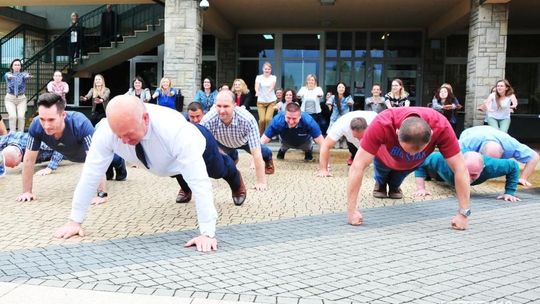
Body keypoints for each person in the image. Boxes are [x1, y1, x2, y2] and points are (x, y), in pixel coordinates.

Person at [53, 95, 240, 252]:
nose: (124, 141)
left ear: (145, 119)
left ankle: (236, 178)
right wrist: (74, 221)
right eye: (119, 135)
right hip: (165, 163)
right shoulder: (105, 132)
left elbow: (200, 182)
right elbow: (90, 174)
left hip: (200, 146)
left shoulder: (175, 131)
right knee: (178, 173)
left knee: (218, 170)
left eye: (128, 134)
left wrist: (207, 233)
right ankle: (184, 186)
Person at [347, 107, 470, 230]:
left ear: (432, 134)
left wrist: (463, 214)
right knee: (382, 177)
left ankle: (394, 186)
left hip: (410, 167)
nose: (410, 155)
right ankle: (380, 183)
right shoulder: (382, 123)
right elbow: (357, 166)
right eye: (408, 150)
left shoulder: (441, 125)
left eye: (417, 151)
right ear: (397, 132)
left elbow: (461, 168)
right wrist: (351, 211)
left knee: (396, 183)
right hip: (384, 159)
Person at [15, 93, 121, 205]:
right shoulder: (36, 125)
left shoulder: (80, 123)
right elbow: (28, 160)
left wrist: (101, 194)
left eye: (51, 120)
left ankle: (120, 168)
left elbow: (96, 159)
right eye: (42, 119)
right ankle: (107, 172)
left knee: (114, 159)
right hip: (69, 154)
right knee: (105, 169)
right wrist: (27, 192)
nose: (46, 125)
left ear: (63, 115)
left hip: (93, 154)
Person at [200, 90, 274, 191]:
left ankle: (269, 158)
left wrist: (261, 182)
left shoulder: (248, 119)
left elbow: (256, 153)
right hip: (223, 143)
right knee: (228, 159)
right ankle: (233, 156)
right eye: (219, 106)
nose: (222, 111)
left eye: (226, 106)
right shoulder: (207, 120)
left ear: (235, 105)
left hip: (244, 141)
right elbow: (202, 152)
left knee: (263, 152)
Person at [414, 151, 520, 202]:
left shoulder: (492, 166)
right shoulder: (442, 159)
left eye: (473, 175)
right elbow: (421, 162)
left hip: (450, 176)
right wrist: (421, 188)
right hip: (437, 173)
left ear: (483, 168)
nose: (468, 179)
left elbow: (514, 166)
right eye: (465, 173)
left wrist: (509, 192)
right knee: (432, 175)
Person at [459, 125, 539, 187]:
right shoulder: (468, 142)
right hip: (472, 132)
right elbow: (451, 153)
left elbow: (534, 157)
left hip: (496, 134)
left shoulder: (511, 146)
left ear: (502, 153)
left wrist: (522, 178)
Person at [317, 111, 377, 176]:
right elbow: (325, 145)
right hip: (352, 141)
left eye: (362, 137)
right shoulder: (341, 125)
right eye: (357, 137)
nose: (360, 140)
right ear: (350, 130)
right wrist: (323, 169)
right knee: (358, 163)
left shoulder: (376, 121)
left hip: (373, 138)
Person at [4, 59, 32, 132]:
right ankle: (12, 134)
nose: (17, 66)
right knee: (13, 116)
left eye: (18, 65)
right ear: (12, 66)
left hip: (21, 99)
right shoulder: (8, 74)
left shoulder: (23, 74)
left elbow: (26, 75)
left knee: (21, 117)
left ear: (20, 67)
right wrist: (10, 77)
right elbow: (7, 76)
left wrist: (28, 76)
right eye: (15, 65)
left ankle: (20, 134)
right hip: (10, 99)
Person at [254, 62, 277, 136]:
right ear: (263, 69)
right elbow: (256, 86)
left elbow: (272, 86)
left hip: (271, 101)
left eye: (268, 69)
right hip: (261, 101)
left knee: (268, 119)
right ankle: (260, 135)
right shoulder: (259, 77)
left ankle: (268, 134)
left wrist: (268, 92)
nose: (267, 70)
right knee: (262, 120)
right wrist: (257, 91)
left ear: (271, 70)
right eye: (265, 69)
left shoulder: (273, 77)